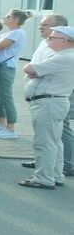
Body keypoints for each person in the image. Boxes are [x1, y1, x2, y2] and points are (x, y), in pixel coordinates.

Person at [18, 25, 74, 189]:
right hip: (52, 101)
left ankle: (43, 178)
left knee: (45, 142)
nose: (48, 39)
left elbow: (29, 68)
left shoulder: (63, 57)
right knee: (55, 141)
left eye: (52, 37)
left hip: (49, 102)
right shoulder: (64, 55)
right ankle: (55, 175)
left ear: (64, 41)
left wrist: (33, 70)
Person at [0, 9, 30, 140]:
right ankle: (1, 124)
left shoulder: (18, 33)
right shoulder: (7, 33)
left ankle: (11, 129)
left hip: (5, 67)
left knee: (5, 97)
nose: (4, 18)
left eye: (8, 16)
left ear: (15, 19)